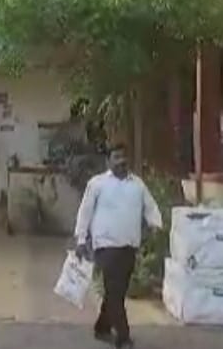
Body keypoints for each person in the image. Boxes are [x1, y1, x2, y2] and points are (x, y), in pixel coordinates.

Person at [73, 145, 163, 349]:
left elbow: (150, 207)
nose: (121, 161)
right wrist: (81, 240)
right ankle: (123, 337)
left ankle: (102, 327)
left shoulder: (137, 184)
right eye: (116, 157)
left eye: (124, 157)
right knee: (114, 290)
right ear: (108, 161)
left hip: (129, 246)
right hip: (105, 246)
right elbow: (85, 212)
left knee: (117, 292)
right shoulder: (97, 184)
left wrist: (155, 225)